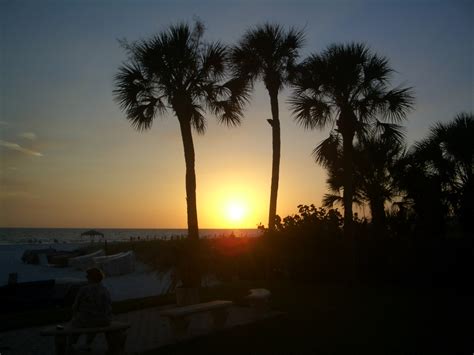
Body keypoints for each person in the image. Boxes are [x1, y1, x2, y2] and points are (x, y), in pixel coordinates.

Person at [70, 267, 112, 350]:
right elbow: (108, 306)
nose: (86, 278)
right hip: (103, 320)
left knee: (75, 323)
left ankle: (71, 344)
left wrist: (75, 315)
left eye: (87, 276)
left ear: (90, 278)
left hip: (86, 320)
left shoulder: (84, 290)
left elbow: (75, 306)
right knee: (94, 318)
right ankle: (88, 344)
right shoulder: (105, 290)